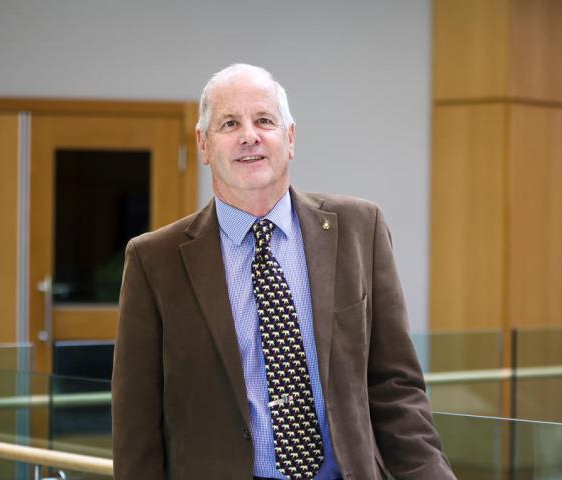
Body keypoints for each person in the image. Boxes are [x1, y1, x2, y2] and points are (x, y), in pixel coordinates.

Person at [112, 64, 455, 480]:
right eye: (229, 123)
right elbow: (136, 422)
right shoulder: (154, 260)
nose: (249, 136)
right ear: (203, 144)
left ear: (290, 138)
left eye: (264, 120)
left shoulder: (360, 229)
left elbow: (395, 388)